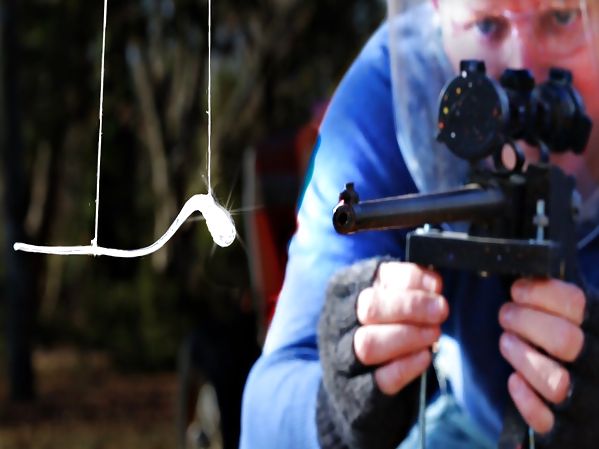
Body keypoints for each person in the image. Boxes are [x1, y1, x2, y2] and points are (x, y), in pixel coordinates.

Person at [240, 1, 599, 448]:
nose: (522, 69)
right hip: (470, 422)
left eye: (562, 18)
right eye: (487, 25)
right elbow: (265, 413)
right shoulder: (393, 91)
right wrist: (336, 409)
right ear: (436, 14)